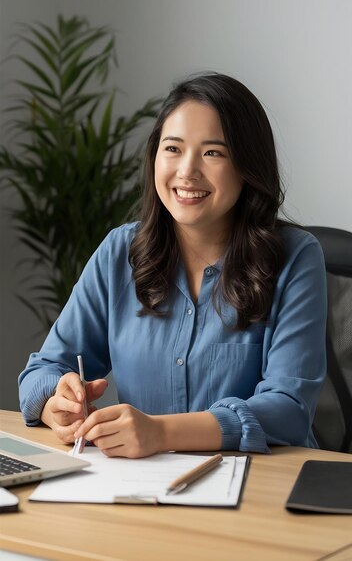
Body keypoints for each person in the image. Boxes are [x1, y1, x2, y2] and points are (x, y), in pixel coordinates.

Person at [18, 72, 327, 458]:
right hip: (141, 486)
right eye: (173, 149)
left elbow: (289, 409)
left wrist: (161, 433)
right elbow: (43, 370)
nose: (187, 171)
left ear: (248, 166)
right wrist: (55, 402)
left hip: (263, 490)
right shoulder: (120, 252)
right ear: (154, 157)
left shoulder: (296, 257)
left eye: (213, 152)